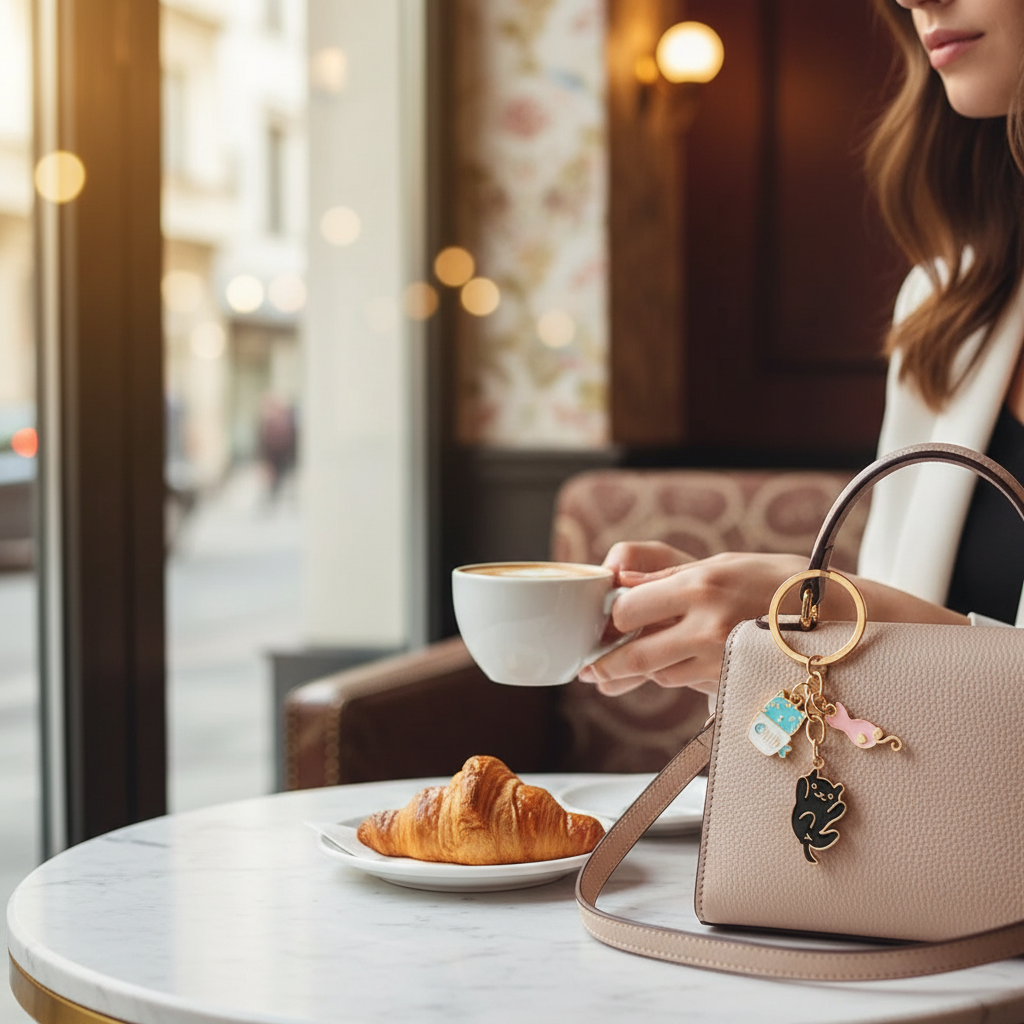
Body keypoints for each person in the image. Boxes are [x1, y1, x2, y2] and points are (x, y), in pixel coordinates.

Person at [578, 0, 1024, 702]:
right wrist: (783, 645)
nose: (915, 0)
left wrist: (842, 616)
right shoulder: (946, 308)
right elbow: (912, 719)